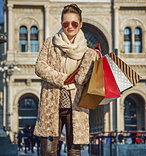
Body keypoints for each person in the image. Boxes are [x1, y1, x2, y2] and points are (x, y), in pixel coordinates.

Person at [33, 3, 97, 156]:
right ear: (61, 23)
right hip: (51, 105)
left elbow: (81, 79)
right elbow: (40, 67)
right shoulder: (50, 43)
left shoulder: (88, 52)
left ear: (80, 24)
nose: (70, 26)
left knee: (74, 151)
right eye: (65, 23)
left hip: (76, 107)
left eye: (74, 23)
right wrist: (64, 79)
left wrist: (91, 59)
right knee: (48, 151)